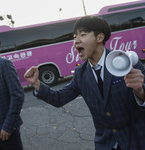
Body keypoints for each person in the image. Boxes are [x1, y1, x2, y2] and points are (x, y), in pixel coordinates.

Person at [24, 16, 145, 150]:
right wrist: (36, 84)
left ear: (99, 38)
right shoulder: (80, 74)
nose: (76, 41)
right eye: (74, 36)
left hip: (137, 140)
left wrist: (140, 92)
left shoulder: (126, 61)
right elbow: (59, 99)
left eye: (82, 35)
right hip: (105, 144)